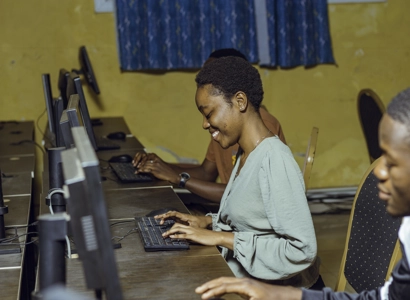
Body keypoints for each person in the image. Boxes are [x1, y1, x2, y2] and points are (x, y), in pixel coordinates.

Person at [195, 87, 410, 300]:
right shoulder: (407, 230)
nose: (378, 169)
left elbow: (300, 249)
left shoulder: (272, 156)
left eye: (392, 161)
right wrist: (279, 294)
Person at [154, 56, 321, 288]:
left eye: (209, 113)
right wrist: (205, 222)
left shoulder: (274, 158)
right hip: (252, 282)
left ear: (240, 101)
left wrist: (220, 237)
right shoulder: (246, 152)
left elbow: (302, 250)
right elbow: (251, 223)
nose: (204, 124)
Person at [132, 48, 286, 203]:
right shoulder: (224, 128)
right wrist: (160, 167)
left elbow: (248, 196)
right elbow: (206, 173)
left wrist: (179, 179)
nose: (205, 124)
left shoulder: (262, 130)